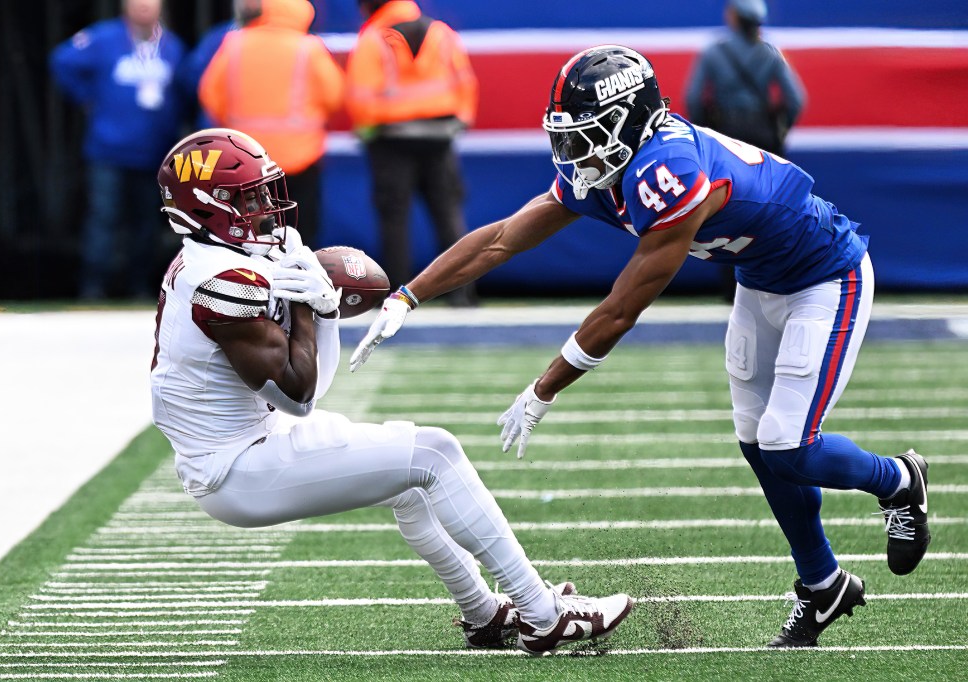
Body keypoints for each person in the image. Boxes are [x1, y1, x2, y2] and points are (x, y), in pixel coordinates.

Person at [350, 46, 932, 648]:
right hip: (760, 278)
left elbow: (623, 307)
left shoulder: (667, 170)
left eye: (587, 135)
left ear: (629, 121)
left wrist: (543, 386)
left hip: (824, 276)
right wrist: (407, 296)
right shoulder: (613, 166)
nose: (574, 152)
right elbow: (501, 240)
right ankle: (823, 584)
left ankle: (895, 479)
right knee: (760, 443)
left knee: (788, 443)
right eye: (568, 137)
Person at [149, 127, 634, 655]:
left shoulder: (218, 262)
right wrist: (315, 309)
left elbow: (310, 392)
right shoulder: (223, 282)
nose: (265, 208)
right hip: (236, 468)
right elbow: (300, 395)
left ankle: (484, 613)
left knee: (410, 480)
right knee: (435, 451)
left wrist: (325, 311)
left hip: (254, 439)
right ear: (209, 206)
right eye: (249, 198)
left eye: (265, 193)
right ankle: (542, 614)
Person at [345, 0, 479, 307]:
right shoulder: (441, 33)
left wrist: (368, 130)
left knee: (394, 220)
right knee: (448, 214)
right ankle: (463, 295)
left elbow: (359, 93)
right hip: (440, 137)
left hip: (390, 138)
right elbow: (465, 81)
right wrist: (459, 121)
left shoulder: (373, 38)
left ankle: (395, 294)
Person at [51, 0, 187, 300]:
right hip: (108, 149)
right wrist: (86, 97)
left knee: (147, 223)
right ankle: (94, 287)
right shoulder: (104, 37)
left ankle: (139, 287)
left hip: (153, 153)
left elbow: (185, 91)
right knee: (104, 218)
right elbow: (61, 60)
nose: (142, 6)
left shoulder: (172, 47)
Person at [199, 0, 343, 248]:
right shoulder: (309, 48)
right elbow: (335, 96)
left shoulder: (235, 43)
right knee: (300, 233)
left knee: (249, 234)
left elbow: (210, 94)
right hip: (300, 158)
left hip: (246, 161)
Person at [685, 0, 805, 158]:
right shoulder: (772, 53)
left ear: (734, 16)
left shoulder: (713, 52)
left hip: (723, 135)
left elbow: (693, 98)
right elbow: (796, 100)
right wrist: (778, 130)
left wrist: (706, 129)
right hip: (763, 135)